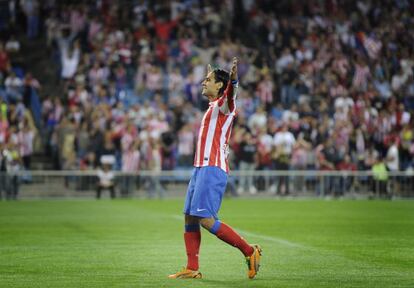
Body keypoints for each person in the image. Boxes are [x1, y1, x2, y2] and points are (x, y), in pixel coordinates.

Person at [168, 58, 262, 280]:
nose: (203, 82)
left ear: (220, 85)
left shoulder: (224, 105)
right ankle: (192, 268)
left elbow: (231, 95)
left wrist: (233, 80)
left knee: (206, 219)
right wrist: (218, 78)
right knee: (190, 217)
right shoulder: (213, 107)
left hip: (213, 167)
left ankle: (250, 251)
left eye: (208, 80)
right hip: (200, 168)